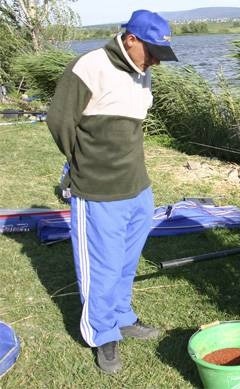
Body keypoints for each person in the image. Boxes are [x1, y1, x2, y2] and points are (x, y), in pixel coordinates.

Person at [47, 10, 178, 374]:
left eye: (159, 55)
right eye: (151, 52)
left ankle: (121, 316)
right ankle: (103, 334)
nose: (154, 61)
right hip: (98, 190)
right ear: (131, 39)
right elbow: (59, 123)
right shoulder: (88, 66)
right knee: (101, 268)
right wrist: (84, 164)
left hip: (138, 188)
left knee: (125, 261)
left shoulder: (143, 72)